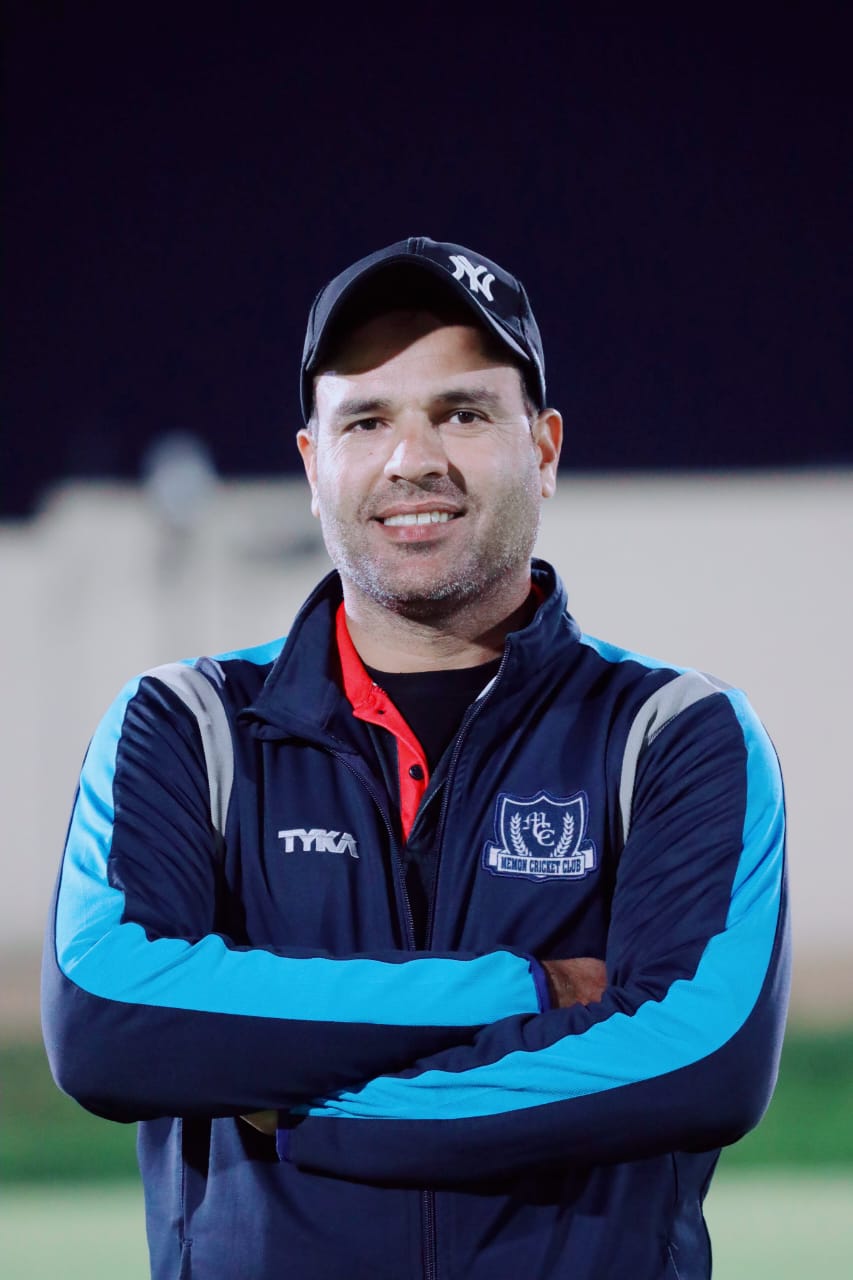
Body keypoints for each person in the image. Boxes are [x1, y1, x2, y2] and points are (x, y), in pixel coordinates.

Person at [42, 236, 790, 1280]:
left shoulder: (674, 732)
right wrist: (523, 989)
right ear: (314, 465)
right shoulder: (183, 724)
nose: (412, 459)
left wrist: (315, 1115)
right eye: (366, 420)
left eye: (463, 413)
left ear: (544, 450)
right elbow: (110, 1023)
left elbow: (700, 1059)